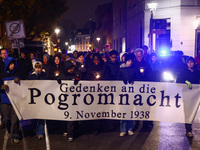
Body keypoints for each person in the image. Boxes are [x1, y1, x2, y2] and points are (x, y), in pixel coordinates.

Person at [176, 56, 200, 137]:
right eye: (188, 62)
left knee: (193, 112)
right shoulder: (184, 72)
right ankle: (188, 129)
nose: (190, 64)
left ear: (194, 63)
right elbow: (178, 82)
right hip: (186, 95)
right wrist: (186, 82)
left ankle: (190, 127)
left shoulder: (197, 71)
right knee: (187, 112)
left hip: (195, 96)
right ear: (187, 63)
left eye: (191, 62)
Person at [0, 57, 21, 143]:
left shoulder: (17, 74)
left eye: (13, 64)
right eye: (11, 64)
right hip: (5, 100)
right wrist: (1, 87)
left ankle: (15, 135)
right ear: (7, 65)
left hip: (15, 100)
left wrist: (19, 81)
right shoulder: (2, 75)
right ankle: (9, 131)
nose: (12, 66)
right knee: (6, 119)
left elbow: (22, 87)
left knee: (14, 119)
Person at [28, 61, 47, 139]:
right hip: (33, 99)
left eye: (39, 67)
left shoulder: (44, 76)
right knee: (33, 115)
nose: (38, 69)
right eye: (36, 67)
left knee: (41, 115)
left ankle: (40, 132)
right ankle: (32, 129)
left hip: (41, 98)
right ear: (34, 68)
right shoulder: (31, 76)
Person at [118, 54, 136, 136]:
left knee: (130, 111)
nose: (130, 62)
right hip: (123, 94)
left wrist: (133, 80)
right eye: (129, 61)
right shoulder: (121, 69)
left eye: (131, 61)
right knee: (123, 111)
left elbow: (138, 79)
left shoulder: (134, 69)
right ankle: (123, 129)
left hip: (131, 93)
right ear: (126, 61)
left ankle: (129, 128)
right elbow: (117, 79)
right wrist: (122, 80)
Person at [0, 48, 8, 130]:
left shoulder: (10, 62)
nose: (4, 55)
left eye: (5, 53)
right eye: (3, 53)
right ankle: (2, 120)